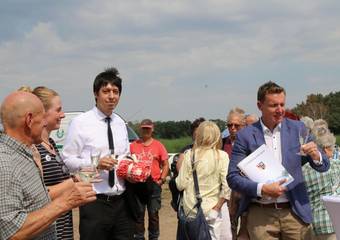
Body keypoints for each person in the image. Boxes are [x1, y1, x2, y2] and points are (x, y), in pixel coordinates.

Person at [227, 81, 330, 240]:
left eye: (282, 104)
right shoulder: (245, 136)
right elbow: (232, 177)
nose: (280, 109)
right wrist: (262, 189)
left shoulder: (299, 129)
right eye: (274, 105)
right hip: (260, 215)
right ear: (260, 105)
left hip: (294, 212)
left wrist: (316, 156)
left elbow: (324, 166)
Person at [0, 91, 96, 240]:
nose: (45, 123)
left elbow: (34, 199)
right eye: (42, 117)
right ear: (29, 120)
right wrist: (65, 202)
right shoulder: (6, 164)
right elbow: (12, 232)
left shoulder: (23, 155)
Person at [62, 67, 135, 239]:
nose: (111, 96)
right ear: (96, 94)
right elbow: (67, 160)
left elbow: (126, 155)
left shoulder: (120, 123)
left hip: (122, 201)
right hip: (94, 201)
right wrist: (95, 163)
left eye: (115, 92)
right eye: (106, 91)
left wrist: (131, 167)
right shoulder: (81, 122)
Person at [30, 86, 74, 240]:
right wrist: (72, 183)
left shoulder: (52, 143)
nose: (62, 115)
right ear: (43, 112)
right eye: (58, 110)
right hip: (47, 230)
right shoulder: (33, 148)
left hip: (63, 228)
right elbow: (37, 196)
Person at [176, 121, 231, 239]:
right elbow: (227, 187)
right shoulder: (222, 156)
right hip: (212, 211)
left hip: (191, 211)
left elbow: (180, 185)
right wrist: (217, 208)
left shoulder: (189, 155)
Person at [130, 119, 169, 240]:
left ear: (152, 129)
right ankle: (139, 237)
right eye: (143, 128)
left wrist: (161, 180)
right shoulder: (133, 146)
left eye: (148, 128)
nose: (145, 130)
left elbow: (166, 164)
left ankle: (154, 237)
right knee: (138, 215)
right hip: (137, 185)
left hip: (154, 184)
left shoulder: (158, 145)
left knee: (153, 215)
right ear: (140, 129)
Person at [303, 125, 337, 240]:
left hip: (311, 225)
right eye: (333, 147)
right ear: (326, 149)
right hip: (333, 224)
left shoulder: (303, 170)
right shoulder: (336, 165)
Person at [222, 108, 247, 240]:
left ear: (244, 125)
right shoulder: (221, 144)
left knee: (246, 225)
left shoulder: (251, 143)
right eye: (229, 125)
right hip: (227, 190)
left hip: (245, 189)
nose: (232, 128)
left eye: (236, 125)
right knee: (229, 226)